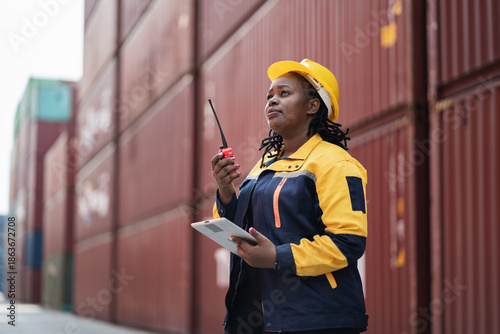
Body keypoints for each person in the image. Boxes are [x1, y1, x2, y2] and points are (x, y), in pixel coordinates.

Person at [211, 59, 368, 334]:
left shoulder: (335, 164)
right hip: (253, 318)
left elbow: (348, 242)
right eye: (269, 96)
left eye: (284, 93)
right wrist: (225, 193)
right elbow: (238, 229)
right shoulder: (265, 164)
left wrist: (276, 257)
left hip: (315, 320)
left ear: (312, 106)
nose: (272, 101)